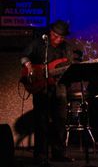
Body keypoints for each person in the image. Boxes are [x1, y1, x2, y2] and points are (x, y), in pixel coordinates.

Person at [20, 20, 76, 163]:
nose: (59, 39)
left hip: (59, 87)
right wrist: (29, 66)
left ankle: (58, 154)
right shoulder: (39, 44)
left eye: (62, 37)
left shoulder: (66, 48)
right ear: (51, 33)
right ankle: (41, 155)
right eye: (56, 36)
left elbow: (69, 67)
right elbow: (24, 55)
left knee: (60, 121)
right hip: (41, 87)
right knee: (41, 121)